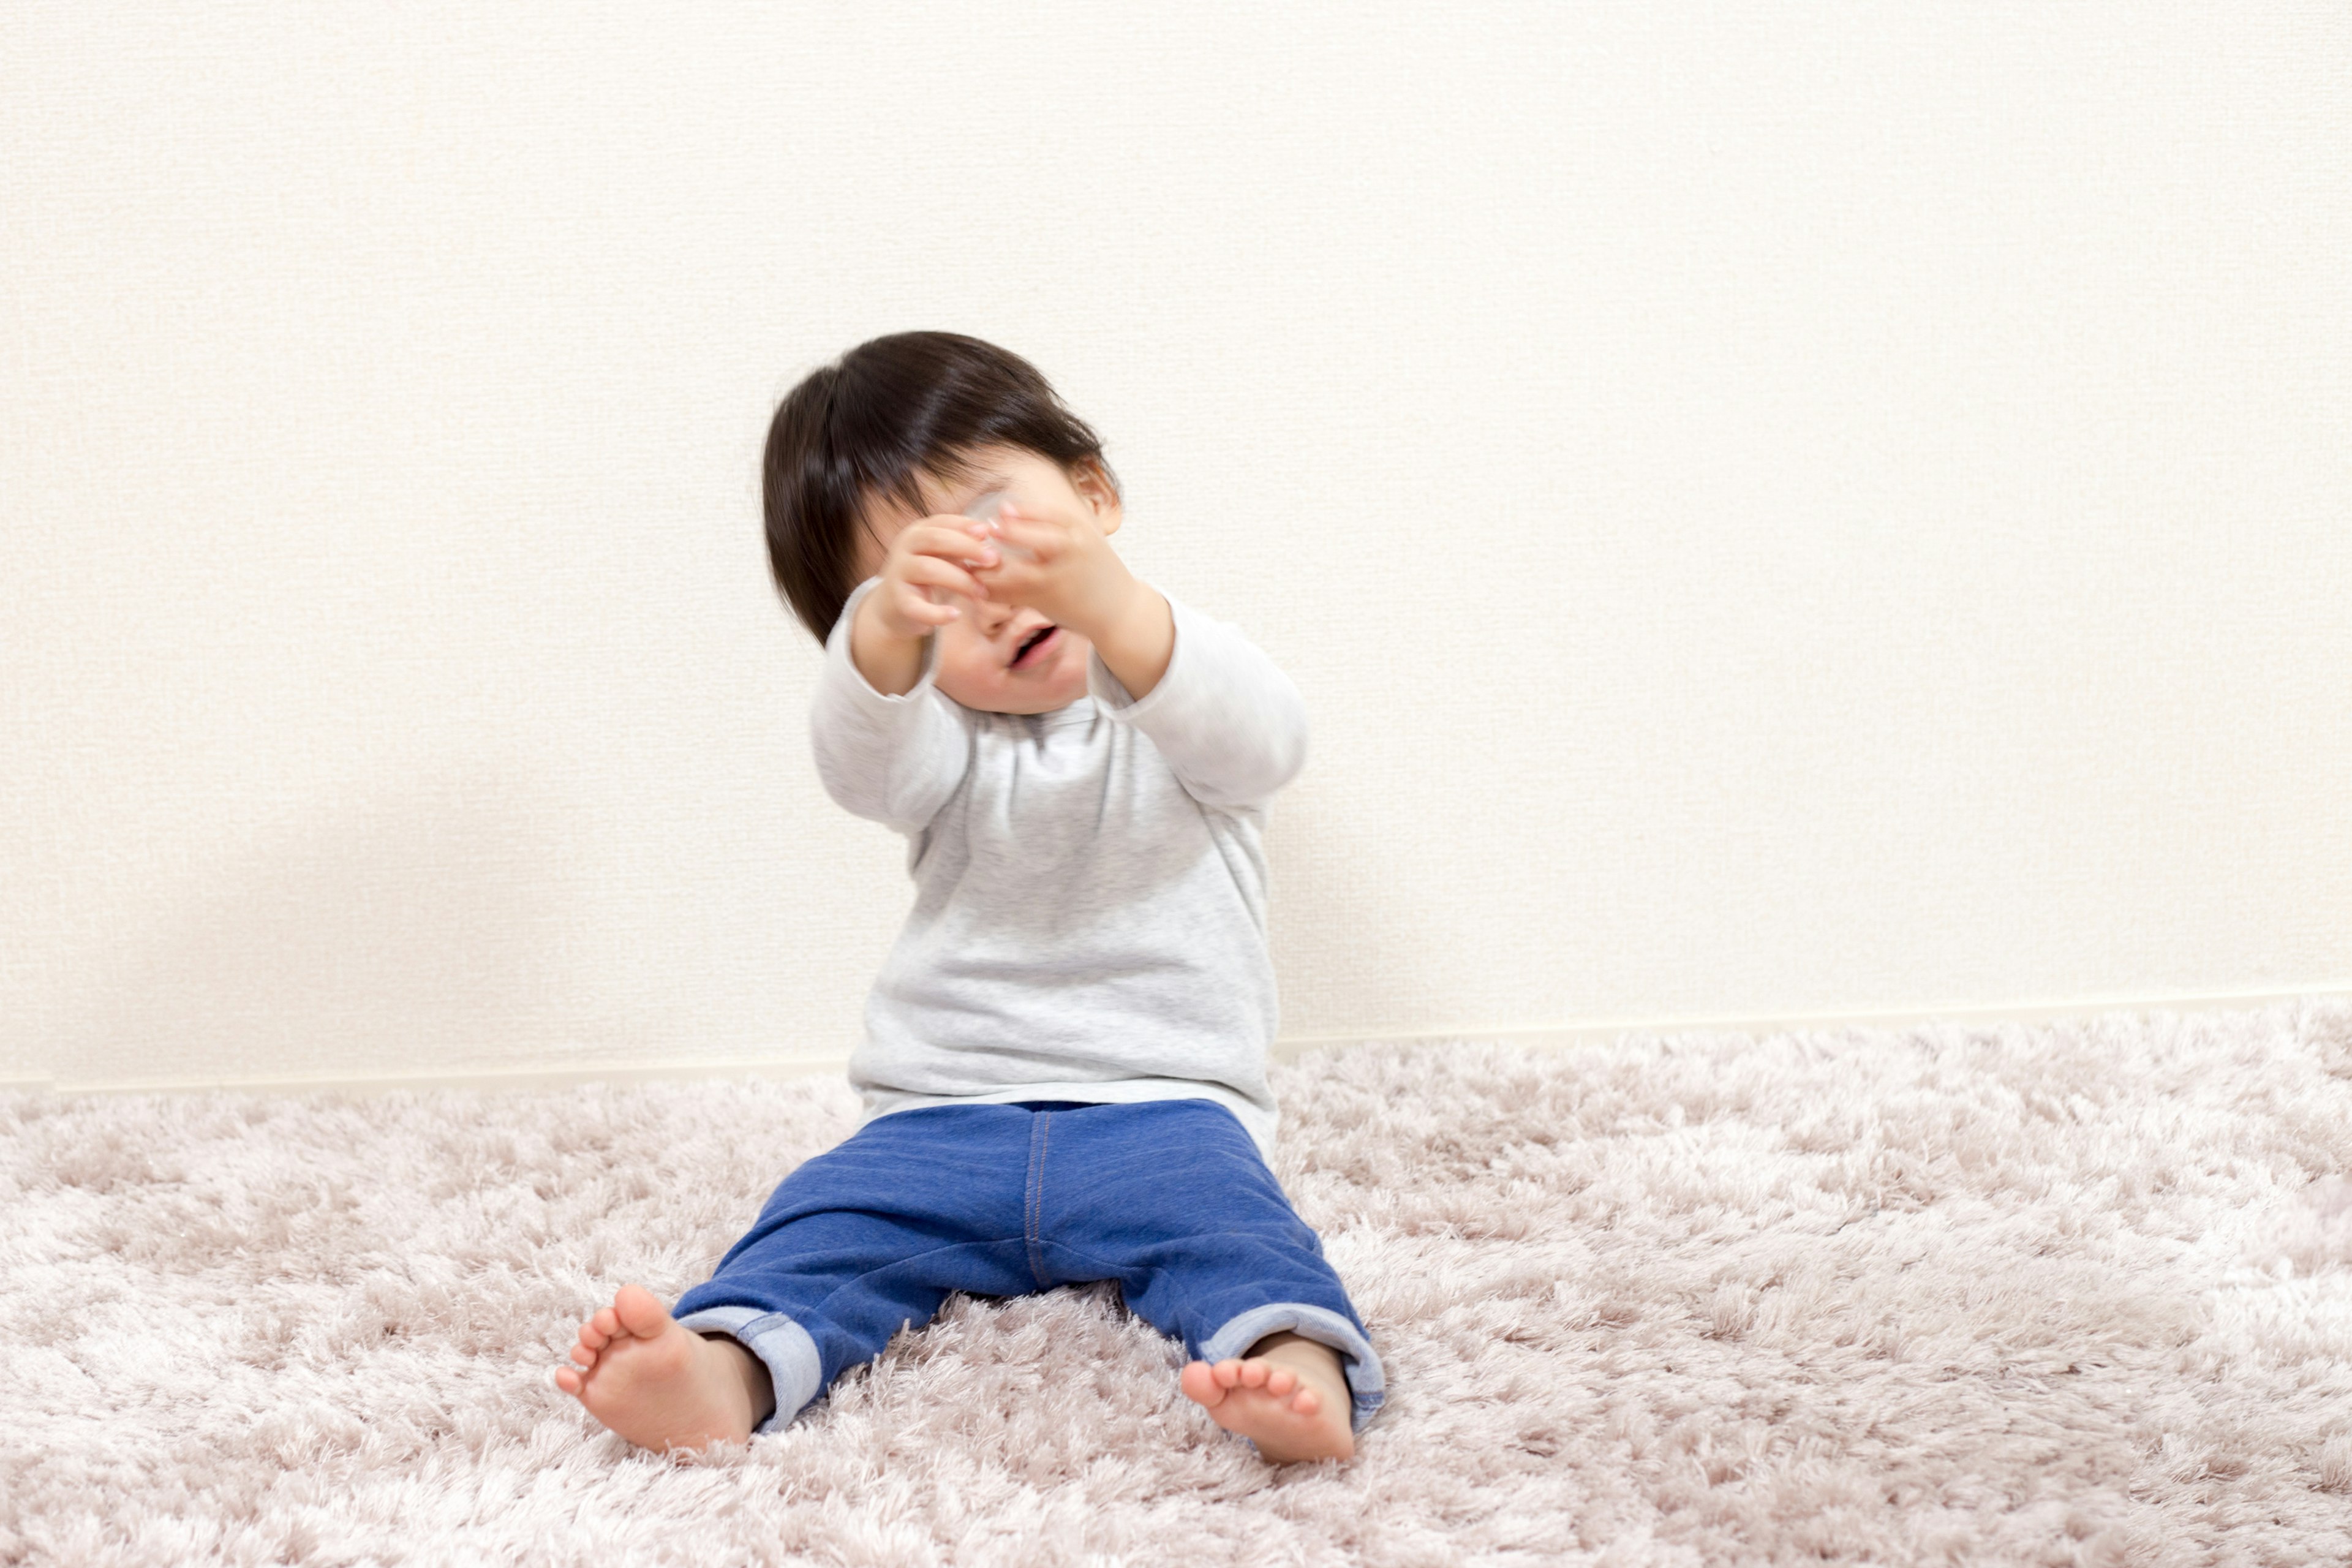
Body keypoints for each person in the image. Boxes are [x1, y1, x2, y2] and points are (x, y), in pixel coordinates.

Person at [554, 331, 1382, 1463]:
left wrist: (1117, 604)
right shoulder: (935, 744)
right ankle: (722, 1370)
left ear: (1095, 495)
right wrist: (884, 637)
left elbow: (1268, 739)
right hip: (938, 1116)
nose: (990, 600)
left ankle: (1293, 1365)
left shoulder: (1181, 703)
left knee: (1240, 1235)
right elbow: (863, 761)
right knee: (821, 1227)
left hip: (1168, 1110)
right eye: (933, 591)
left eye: (1004, 533)